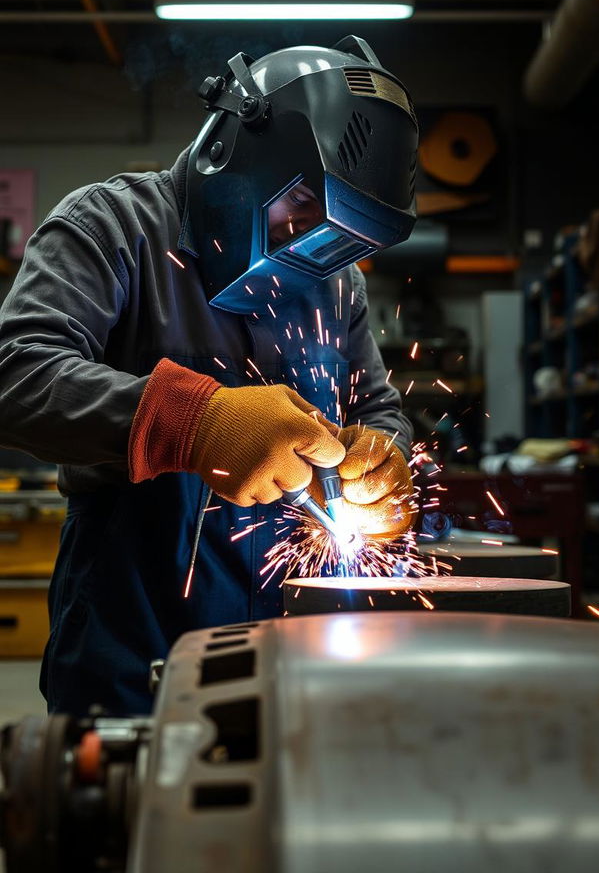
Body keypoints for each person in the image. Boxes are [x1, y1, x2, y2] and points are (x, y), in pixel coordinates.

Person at [0, 35, 418, 715]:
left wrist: (387, 457)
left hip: (294, 639)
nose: (312, 249)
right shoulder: (111, 227)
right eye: (299, 212)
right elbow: (17, 374)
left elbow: (377, 407)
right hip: (131, 633)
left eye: (338, 236)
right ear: (235, 151)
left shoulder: (335, 285)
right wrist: (196, 423)